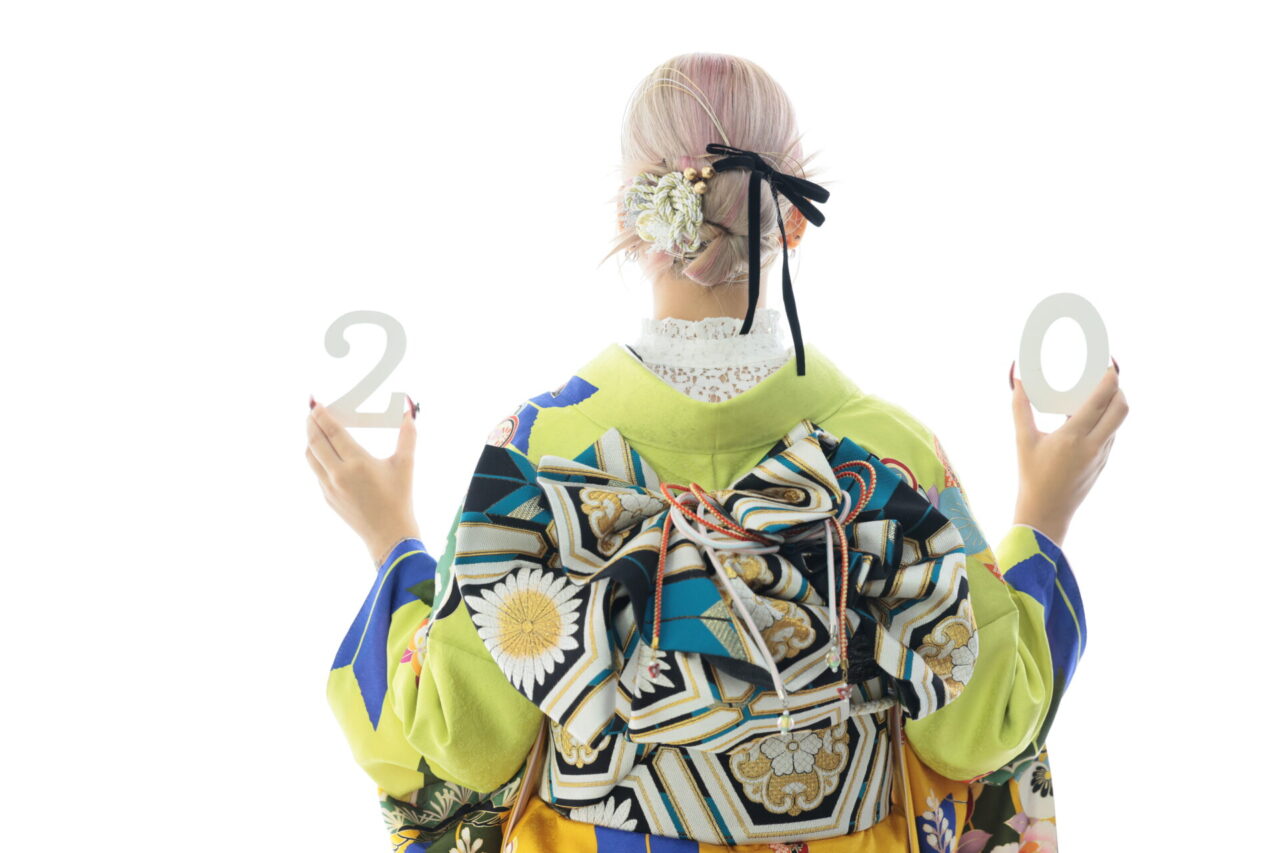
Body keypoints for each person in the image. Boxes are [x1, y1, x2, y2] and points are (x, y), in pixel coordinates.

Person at [306, 53, 1127, 853]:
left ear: (630, 218)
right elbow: (980, 731)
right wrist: (1043, 518)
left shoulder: (537, 453)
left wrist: (392, 541)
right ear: (793, 218)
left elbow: (465, 742)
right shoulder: (888, 454)